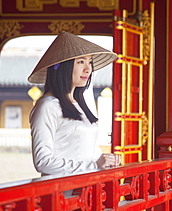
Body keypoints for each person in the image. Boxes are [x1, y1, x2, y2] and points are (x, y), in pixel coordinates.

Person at [28, 31, 121, 177]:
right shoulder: (47, 106)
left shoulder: (79, 104)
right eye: (80, 62)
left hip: (85, 188)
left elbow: (86, 150)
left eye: (90, 62)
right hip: (62, 192)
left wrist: (106, 160)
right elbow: (43, 161)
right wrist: (94, 165)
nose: (88, 69)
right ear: (62, 66)